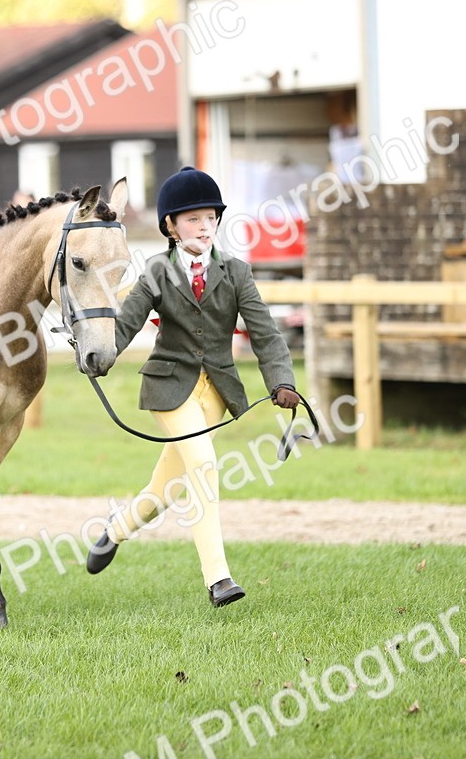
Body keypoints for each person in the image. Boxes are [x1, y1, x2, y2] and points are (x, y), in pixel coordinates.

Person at [85, 166, 300, 608]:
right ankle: (218, 579)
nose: (204, 227)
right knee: (202, 463)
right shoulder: (157, 272)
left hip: (216, 394)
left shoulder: (237, 273)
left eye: (209, 218)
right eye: (192, 219)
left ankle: (116, 528)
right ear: (170, 226)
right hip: (169, 387)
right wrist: (101, 356)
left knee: (165, 491)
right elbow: (126, 324)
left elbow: (265, 334)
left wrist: (281, 380)